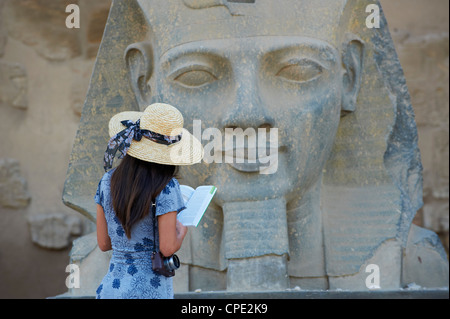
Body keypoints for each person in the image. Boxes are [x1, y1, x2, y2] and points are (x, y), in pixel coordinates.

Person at [94, 102, 203, 299]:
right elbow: (167, 247)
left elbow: (103, 243)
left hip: (111, 290)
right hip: (150, 291)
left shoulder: (106, 181)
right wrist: (181, 232)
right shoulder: (167, 187)